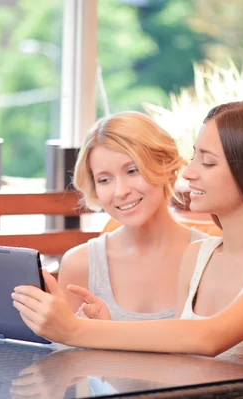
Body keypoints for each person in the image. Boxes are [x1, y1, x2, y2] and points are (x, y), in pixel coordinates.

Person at [12, 100, 243, 398]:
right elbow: (176, 372)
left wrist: (74, 329)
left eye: (208, 162)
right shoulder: (198, 258)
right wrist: (106, 335)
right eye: (194, 157)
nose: (188, 172)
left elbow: (208, 338)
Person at [59, 110, 209, 321]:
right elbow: (63, 351)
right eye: (104, 180)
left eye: (132, 171)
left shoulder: (211, 258)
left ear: (165, 165)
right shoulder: (79, 264)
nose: (120, 191)